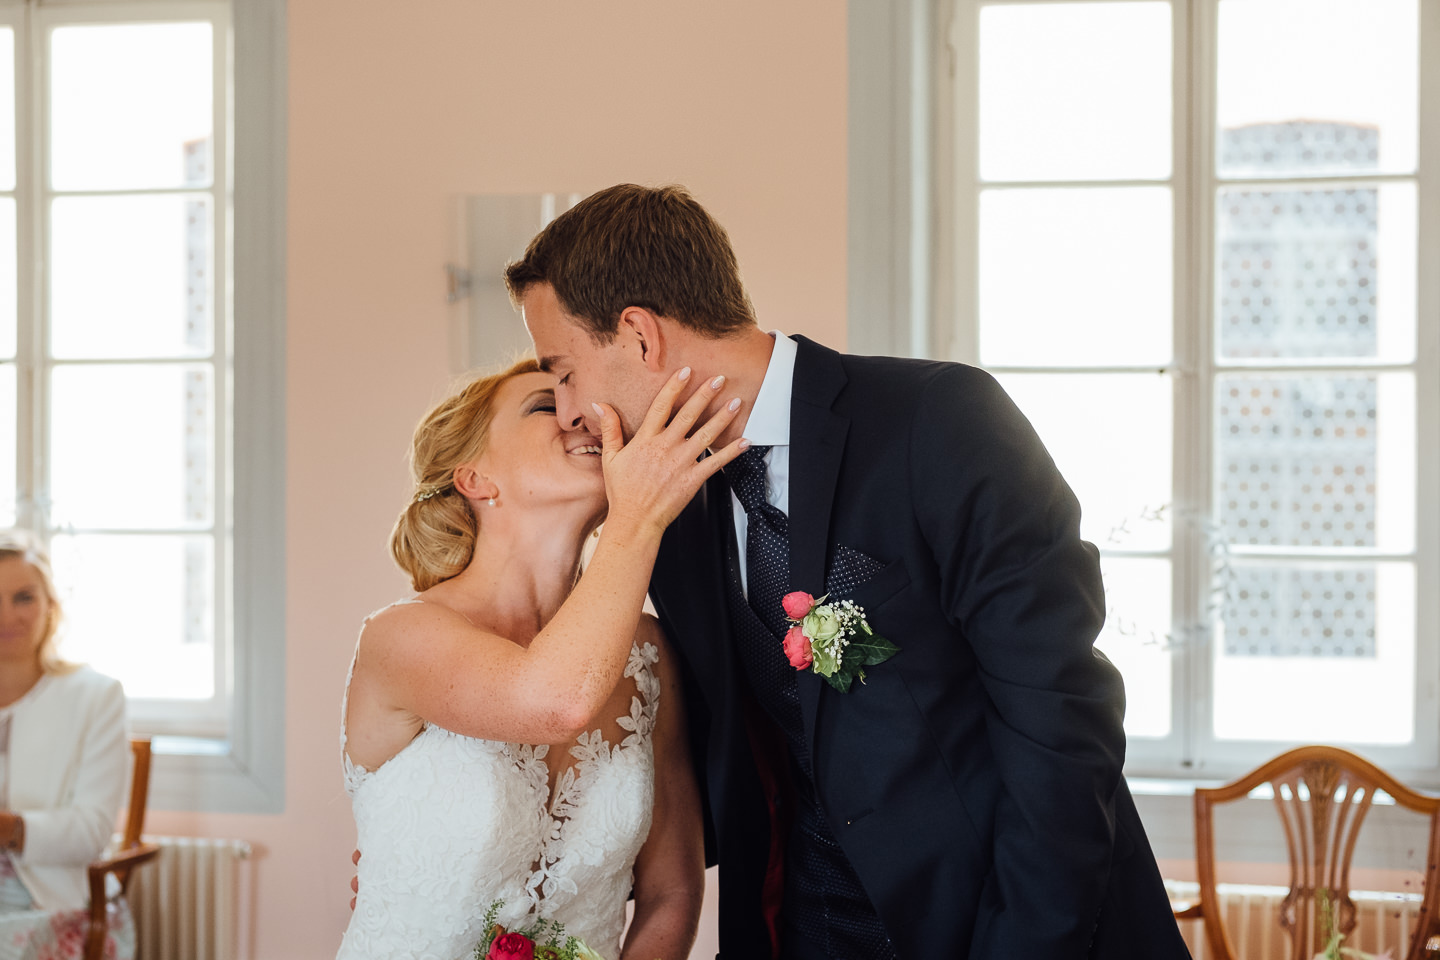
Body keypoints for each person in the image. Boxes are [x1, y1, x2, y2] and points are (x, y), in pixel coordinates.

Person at [506, 183, 1192, 959]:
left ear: (638, 335)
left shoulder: (939, 420)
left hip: (1008, 925)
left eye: (562, 372)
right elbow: (712, 750)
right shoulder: (673, 513)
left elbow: (1063, 725)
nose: (566, 411)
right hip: (805, 929)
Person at [337, 358, 749, 960]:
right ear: (473, 477)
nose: (580, 421)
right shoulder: (401, 638)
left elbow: (673, 892)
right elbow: (554, 702)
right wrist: (639, 518)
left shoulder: (649, 654)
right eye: (543, 406)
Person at [0, 531, 134, 960]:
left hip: (49, 903)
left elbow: (93, 830)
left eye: (23, 597)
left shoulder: (97, 697)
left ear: (51, 604)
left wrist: (10, 828)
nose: (7, 615)